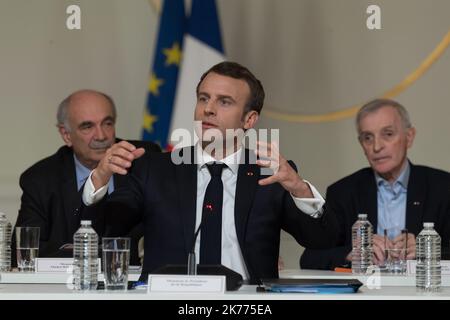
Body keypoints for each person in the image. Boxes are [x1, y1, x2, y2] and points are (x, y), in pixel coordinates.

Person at [82, 62, 338, 284]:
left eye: (224, 102)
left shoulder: (270, 173)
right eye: (204, 98)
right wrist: (100, 178)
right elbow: (104, 231)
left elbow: (322, 240)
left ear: (249, 120)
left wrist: (299, 188)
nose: (209, 109)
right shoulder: (154, 169)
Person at [13, 89, 161, 265]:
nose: (101, 136)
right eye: (87, 126)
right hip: (68, 286)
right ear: (66, 135)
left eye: (107, 123)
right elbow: (24, 251)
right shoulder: (40, 179)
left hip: (131, 281)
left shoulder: (141, 159)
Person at [300, 98, 450, 270]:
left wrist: (428, 250)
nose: (377, 146)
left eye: (388, 134)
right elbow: (310, 258)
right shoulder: (343, 192)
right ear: (361, 144)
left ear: (409, 137)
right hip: (366, 293)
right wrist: (354, 253)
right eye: (368, 138)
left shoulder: (443, 188)